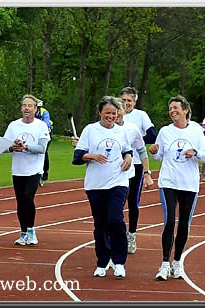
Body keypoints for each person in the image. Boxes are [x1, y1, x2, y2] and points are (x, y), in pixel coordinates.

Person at [72, 96, 133, 279]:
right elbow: (78, 156)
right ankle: (102, 261)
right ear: (100, 113)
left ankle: (119, 261)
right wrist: (92, 156)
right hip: (95, 184)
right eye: (107, 113)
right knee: (100, 224)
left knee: (115, 219)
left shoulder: (121, 132)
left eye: (114, 113)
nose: (111, 116)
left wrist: (129, 158)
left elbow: (126, 150)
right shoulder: (90, 130)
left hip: (118, 182)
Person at [150, 95, 205, 281]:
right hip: (168, 181)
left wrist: (196, 152)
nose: (172, 111)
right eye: (170, 108)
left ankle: (177, 262)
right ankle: (164, 263)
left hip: (189, 184)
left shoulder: (196, 131)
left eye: (176, 107)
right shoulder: (165, 131)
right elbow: (158, 156)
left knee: (184, 223)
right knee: (169, 222)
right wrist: (154, 151)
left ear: (185, 110)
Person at [4, 94, 51, 246]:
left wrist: (26, 147)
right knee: (20, 201)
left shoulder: (41, 126)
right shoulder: (14, 126)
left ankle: (31, 230)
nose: (26, 108)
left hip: (34, 169)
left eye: (30, 106)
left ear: (35, 109)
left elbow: (42, 148)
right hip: (18, 169)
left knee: (27, 197)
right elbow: (4, 146)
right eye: (24, 105)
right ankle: (23, 231)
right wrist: (13, 147)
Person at [117, 86, 156, 254]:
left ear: (135, 101)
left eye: (129, 101)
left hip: (137, 164)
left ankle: (131, 234)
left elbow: (152, 135)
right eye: (123, 100)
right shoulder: (114, 114)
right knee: (116, 201)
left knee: (133, 201)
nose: (126, 104)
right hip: (116, 165)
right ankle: (116, 235)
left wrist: (135, 138)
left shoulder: (140, 116)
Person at [34, 99, 53, 186]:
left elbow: (46, 125)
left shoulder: (44, 113)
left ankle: (45, 172)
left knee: (43, 151)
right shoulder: (31, 113)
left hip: (46, 134)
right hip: (35, 135)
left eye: (37, 107)